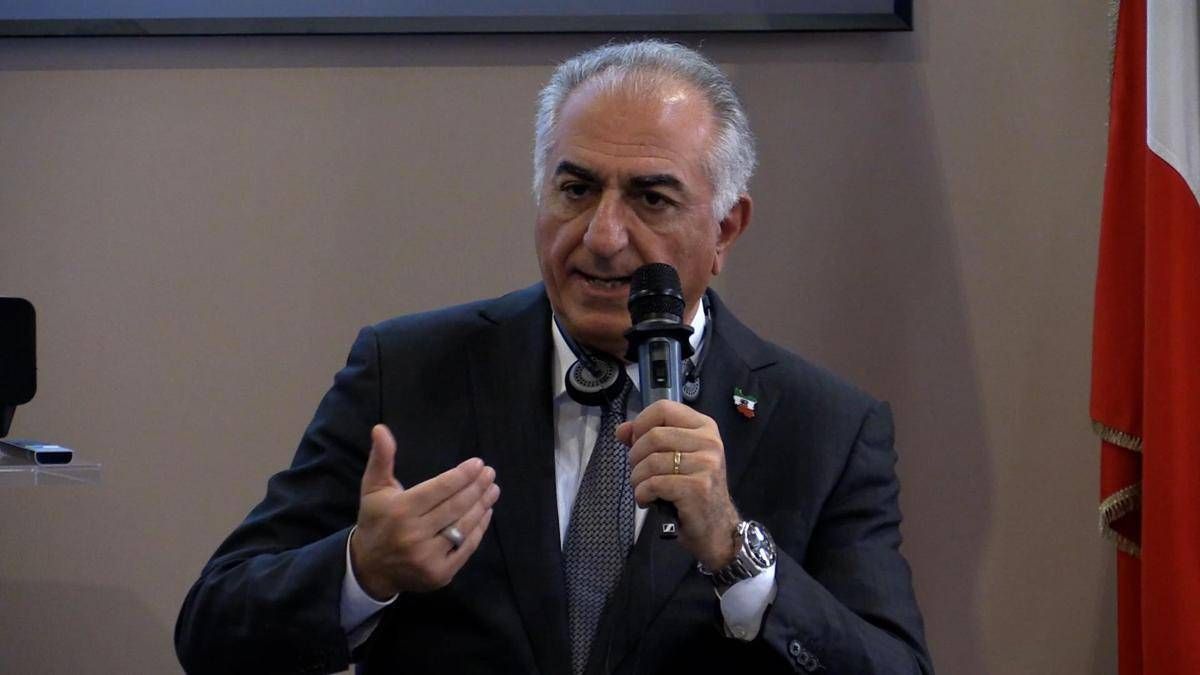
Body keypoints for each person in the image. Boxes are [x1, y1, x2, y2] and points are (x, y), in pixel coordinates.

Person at [176, 40, 933, 675]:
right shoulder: (405, 372)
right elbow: (212, 627)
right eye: (576, 189)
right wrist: (361, 569)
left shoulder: (826, 428)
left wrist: (739, 553)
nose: (602, 236)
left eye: (651, 199)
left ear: (726, 229)